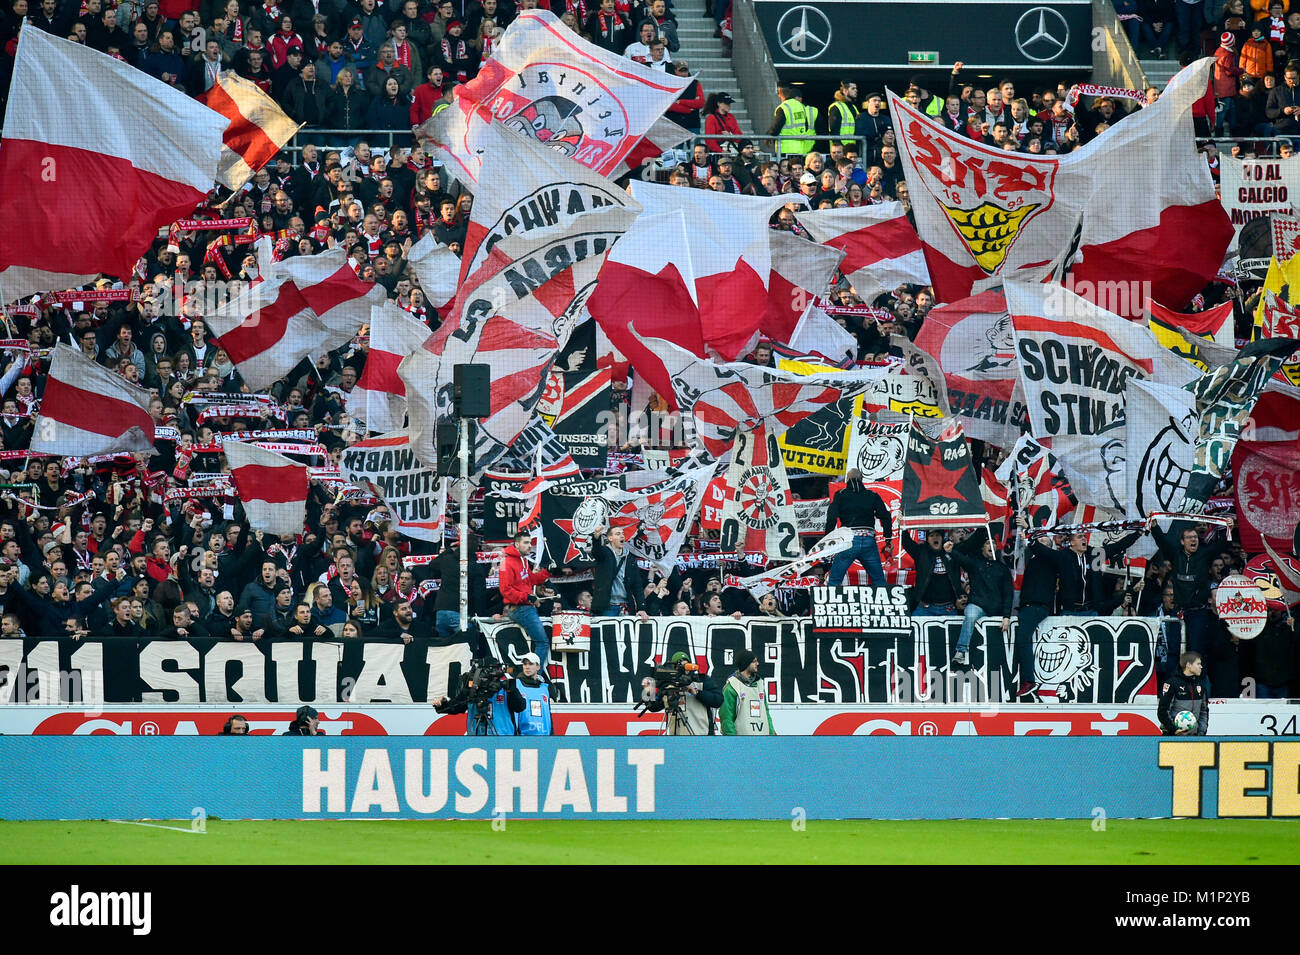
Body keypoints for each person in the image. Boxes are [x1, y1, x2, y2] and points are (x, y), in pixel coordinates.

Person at [949, 528, 1013, 669]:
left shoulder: (1002, 568)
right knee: (971, 614)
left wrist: (1006, 616)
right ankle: (961, 651)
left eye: (994, 544)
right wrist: (950, 551)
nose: (991, 546)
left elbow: (1008, 593)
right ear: (982, 549)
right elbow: (959, 556)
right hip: (977, 605)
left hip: (996, 609)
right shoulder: (974, 563)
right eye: (987, 544)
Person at [824, 468, 891, 586]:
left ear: (847, 480)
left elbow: (831, 517)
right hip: (868, 541)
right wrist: (888, 538)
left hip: (848, 541)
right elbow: (885, 516)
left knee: (834, 581)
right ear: (862, 479)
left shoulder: (840, 495)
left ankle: (832, 604)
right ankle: (882, 602)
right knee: (879, 581)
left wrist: (827, 539)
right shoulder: (872, 495)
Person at [498, 529, 553, 665]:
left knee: (540, 642)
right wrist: (527, 597)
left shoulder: (522, 560)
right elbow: (505, 590)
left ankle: (530, 673)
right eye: (526, 543)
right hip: (521, 608)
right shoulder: (508, 562)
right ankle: (534, 676)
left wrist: (547, 572)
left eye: (530, 542)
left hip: (523, 607)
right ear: (517, 545)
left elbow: (530, 579)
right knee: (543, 643)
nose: (530, 545)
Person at [641, 650, 724, 735]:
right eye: (680, 667)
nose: (684, 670)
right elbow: (653, 707)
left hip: (701, 735)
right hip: (677, 738)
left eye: (686, 666)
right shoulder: (669, 684)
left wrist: (696, 692)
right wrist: (647, 691)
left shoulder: (701, 680)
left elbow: (718, 700)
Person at [435, 660, 526, 735]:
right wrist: (441, 704)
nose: (488, 678)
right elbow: (456, 706)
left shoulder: (506, 686)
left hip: (503, 740)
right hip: (477, 739)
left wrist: (512, 691)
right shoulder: (472, 689)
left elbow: (520, 707)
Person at [590, 524, 649, 617]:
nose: (622, 536)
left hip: (626, 606)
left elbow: (637, 585)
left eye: (623, 534)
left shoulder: (630, 558)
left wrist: (641, 608)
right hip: (608, 607)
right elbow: (596, 551)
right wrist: (596, 538)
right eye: (618, 534)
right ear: (610, 538)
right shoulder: (605, 553)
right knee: (609, 631)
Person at [901, 529, 962, 616]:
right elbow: (906, 541)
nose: (935, 538)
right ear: (927, 539)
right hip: (925, 608)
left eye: (937, 535)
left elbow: (973, 542)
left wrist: (985, 521)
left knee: (956, 629)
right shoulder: (921, 552)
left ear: (942, 538)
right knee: (913, 628)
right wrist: (903, 524)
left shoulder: (952, 551)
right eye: (931, 536)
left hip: (948, 608)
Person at [720, 649, 775, 735]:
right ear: (746, 663)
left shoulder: (760, 684)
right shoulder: (732, 687)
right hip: (742, 742)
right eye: (754, 661)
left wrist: (772, 734)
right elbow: (726, 717)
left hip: (763, 740)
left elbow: (766, 713)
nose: (757, 664)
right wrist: (731, 740)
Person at [1158, 651, 1210, 735]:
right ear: (1188, 665)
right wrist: (1173, 730)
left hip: (1195, 737)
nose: (1201, 666)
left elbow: (1204, 711)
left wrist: (1201, 733)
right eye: (1198, 664)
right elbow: (1163, 711)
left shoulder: (1201, 684)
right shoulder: (1172, 683)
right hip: (1172, 736)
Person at [769, 85, 817, 158]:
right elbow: (806, 126)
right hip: (800, 149)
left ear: (779, 93)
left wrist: (769, 135)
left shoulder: (783, 107)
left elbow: (776, 127)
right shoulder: (802, 107)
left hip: (785, 149)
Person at [513, 651, 553, 736]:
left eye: (530, 664)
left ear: (538, 667)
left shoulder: (544, 688)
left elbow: (548, 715)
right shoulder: (516, 685)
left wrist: (551, 735)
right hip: (523, 737)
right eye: (525, 664)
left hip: (544, 736)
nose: (527, 667)